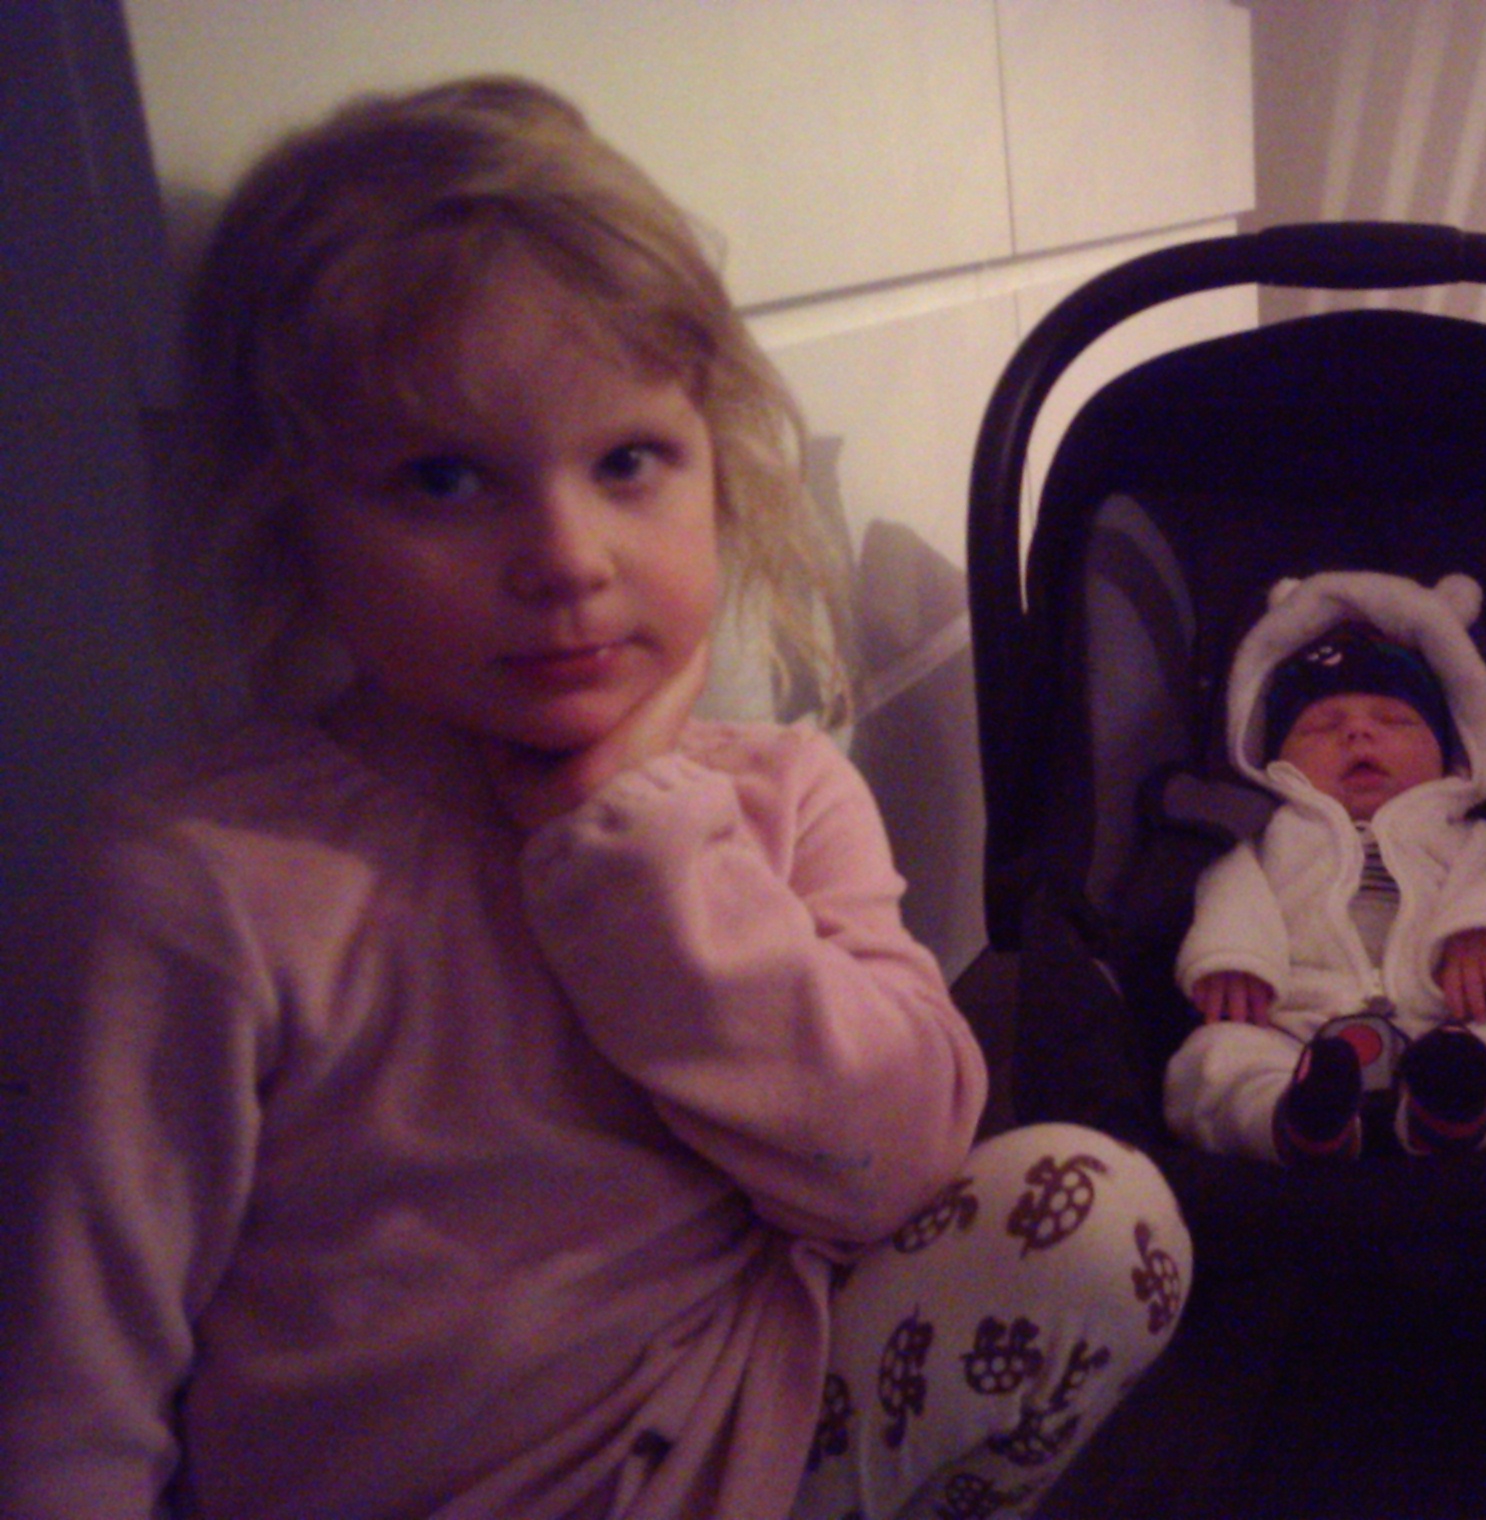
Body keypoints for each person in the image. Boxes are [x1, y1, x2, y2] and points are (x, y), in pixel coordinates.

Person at [0, 76, 1188, 1520]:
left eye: (628, 461)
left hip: (755, 1435)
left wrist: (637, 840)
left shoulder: (783, 796)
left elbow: (894, 1162)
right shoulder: (204, 881)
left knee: (1099, 1220)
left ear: (716, 471)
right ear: (289, 515)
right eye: (444, 478)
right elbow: (74, 1390)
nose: (567, 556)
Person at [1165, 569, 1486, 1164]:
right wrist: (1234, 959)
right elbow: (1229, 886)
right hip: (1293, 1029)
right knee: (1208, 1064)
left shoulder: (1470, 835)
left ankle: (1453, 1113)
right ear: (1273, 760)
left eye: (1395, 721)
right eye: (1321, 726)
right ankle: (1299, 1122)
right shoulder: (1269, 831)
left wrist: (1482, 930)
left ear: (1450, 754)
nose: (1358, 732)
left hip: (1443, 1022)